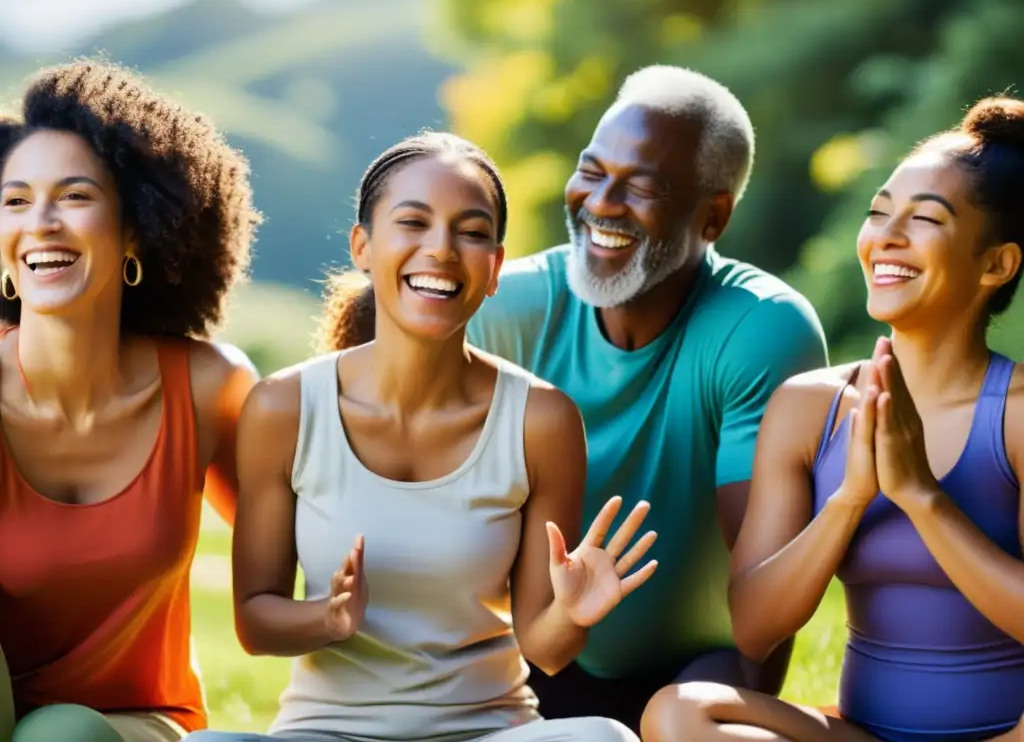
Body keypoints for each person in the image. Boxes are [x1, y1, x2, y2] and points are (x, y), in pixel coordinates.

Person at [188, 131, 655, 742]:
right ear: (362, 246)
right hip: (327, 734)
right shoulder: (284, 406)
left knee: (605, 740)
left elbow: (546, 647)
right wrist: (326, 619)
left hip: (486, 731)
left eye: (471, 231)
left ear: (494, 268)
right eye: (413, 222)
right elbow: (256, 620)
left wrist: (571, 613)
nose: (441, 249)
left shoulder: (542, 421)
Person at [449, 65, 827, 731]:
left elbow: (759, 593)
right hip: (528, 653)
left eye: (641, 187)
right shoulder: (507, 310)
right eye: (591, 171)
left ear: (712, 216)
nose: (600, 202)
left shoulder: (759, 330)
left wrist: (726, 721)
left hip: (696, 670)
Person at [641, 96, 1024, 741]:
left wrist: (921, 497)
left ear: (995, 264)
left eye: (924, 219)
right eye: (879, 212)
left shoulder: (1014, 415)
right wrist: (849, 499)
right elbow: (756, 630)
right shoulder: (809, 406)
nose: (886, 236)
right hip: (863, 735)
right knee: (679, 712)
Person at [0, 60, 261, 742]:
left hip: (129, 723)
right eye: (16, 200)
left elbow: (315, 541)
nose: (42, 223)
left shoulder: (209, 389)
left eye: (75, 196)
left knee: (59, 736)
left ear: (139, 227)